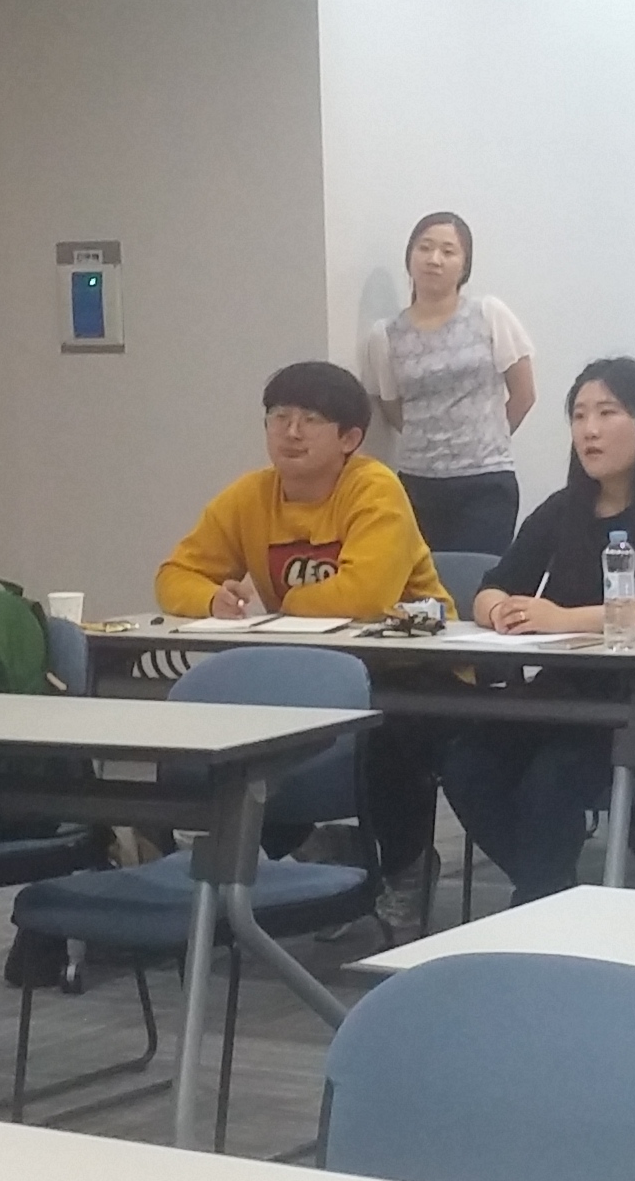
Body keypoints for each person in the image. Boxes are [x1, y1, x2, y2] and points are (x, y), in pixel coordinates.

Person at [155, 360, 448, 919]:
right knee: (244, 735)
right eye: (278, 417)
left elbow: (363, 595)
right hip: (306, 663)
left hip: (407, 663)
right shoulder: (251, 495)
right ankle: (299, 852)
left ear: (349, 439)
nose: (290, 432)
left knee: (389, 731)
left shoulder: (375, 489)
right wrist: (211, 600)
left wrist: (276, 610)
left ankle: (406, 864)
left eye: (310, 419)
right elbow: (174, 575)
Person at [441, 359, 635, 904]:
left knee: (551, 779)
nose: (589, 430)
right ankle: (551, 892)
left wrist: (562, 618)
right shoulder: (564, 509)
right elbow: (493, 586)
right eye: (579, 416)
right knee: (467, 763)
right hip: (567, 699)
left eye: (607, 413)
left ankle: (543, 900)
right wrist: (500, 610)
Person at [352, 211, 538, 555]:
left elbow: (524, 394)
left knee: (474, 577)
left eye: (448, 251)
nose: (434, 259)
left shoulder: (489, 313)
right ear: (410, 257)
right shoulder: (385, 335)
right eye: (424, 248)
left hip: (485, 481)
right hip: (416, 483)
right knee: (418, 581)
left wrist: (486, 437)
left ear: (464, 265)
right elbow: (392, 406)